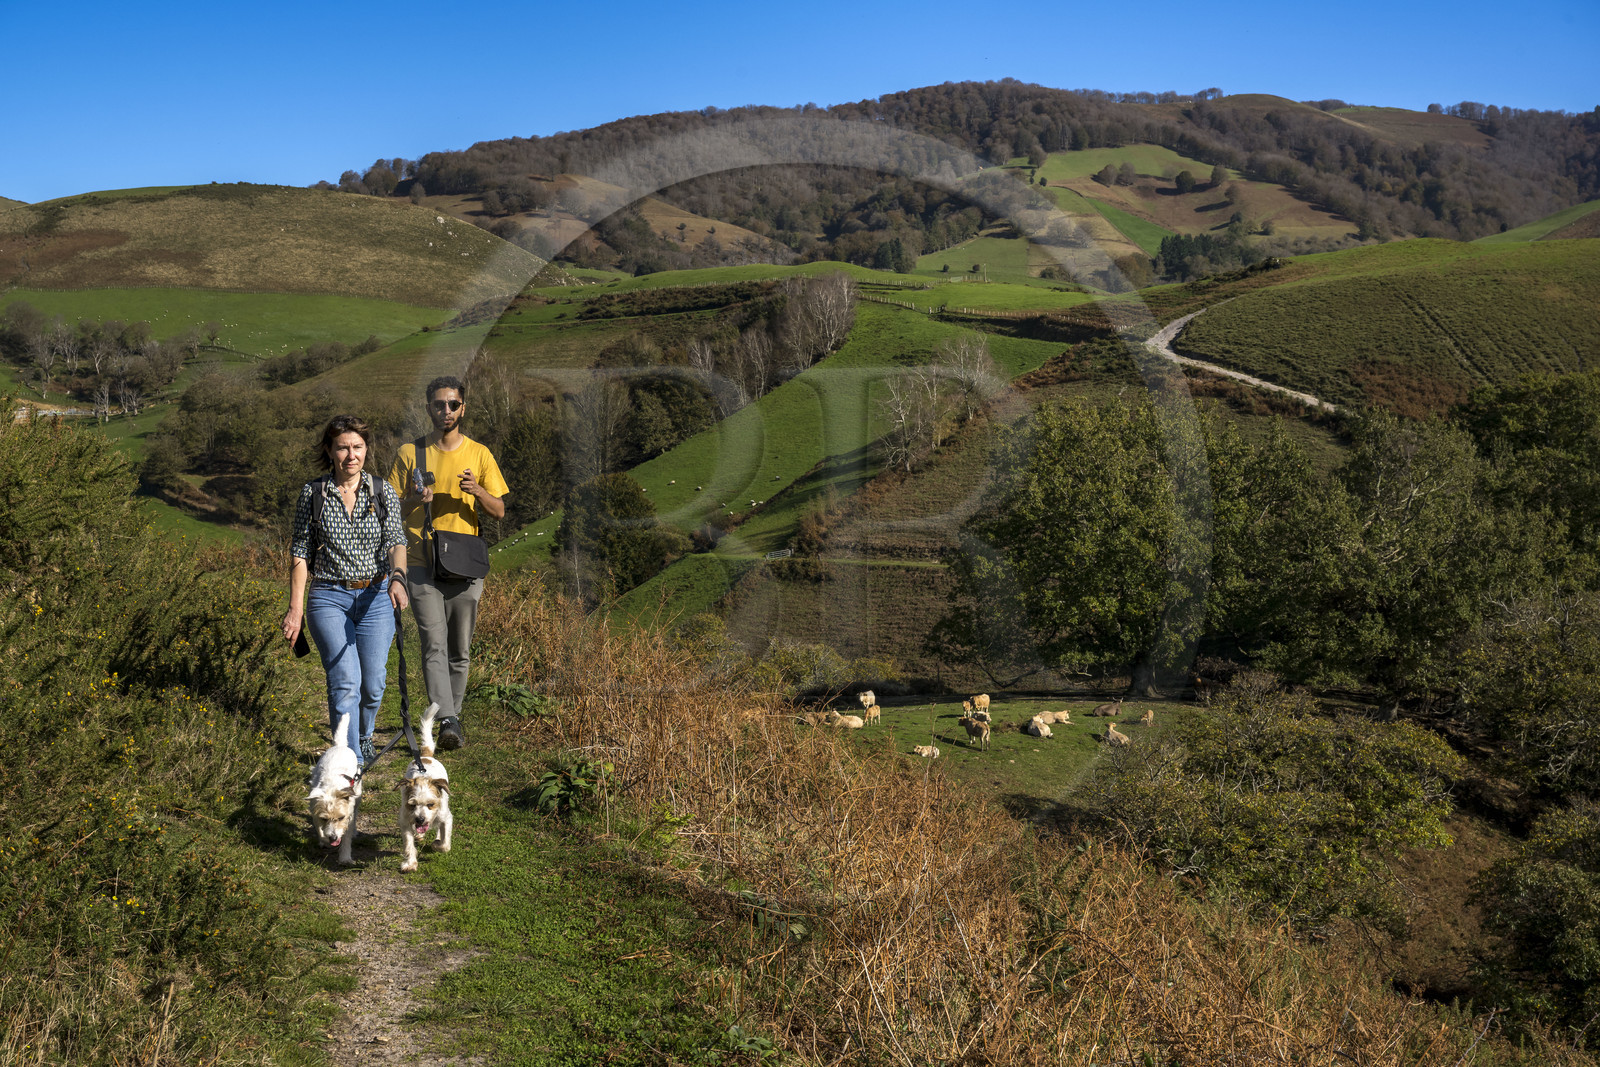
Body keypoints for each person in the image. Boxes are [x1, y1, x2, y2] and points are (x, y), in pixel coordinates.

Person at [388, 376, 507, 750]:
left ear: (462, 408)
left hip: (465, 565)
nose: (446, 411)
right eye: (439, 405)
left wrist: (477, 491)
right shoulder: (411, 453)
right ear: (429, 408)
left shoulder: (480, 453)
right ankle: (449, 719)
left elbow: (499, 510)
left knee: (460, 648)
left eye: (453, 404)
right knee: (433, 643)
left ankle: (450, 720)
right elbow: (387, 509)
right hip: (422, 562)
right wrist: (413, 498)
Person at [283, 415, 409, 766]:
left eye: (357, 447)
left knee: (373, 684)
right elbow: (301, 551)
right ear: (330, 451)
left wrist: (398, 577)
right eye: (343, 447)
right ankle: (349, 762)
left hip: (375, 596)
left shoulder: (382, 491)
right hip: (328, 597)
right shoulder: (314, 493)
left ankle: (364, 734)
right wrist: (295, 610)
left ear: (366, 449)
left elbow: (396, 540)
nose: (351, 455)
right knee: (346, 682)